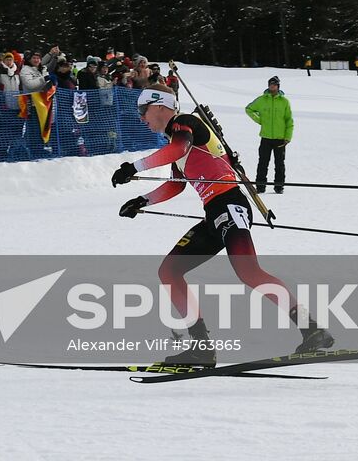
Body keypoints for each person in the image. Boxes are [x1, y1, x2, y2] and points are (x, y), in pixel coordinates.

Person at [110, 88, 333, 367]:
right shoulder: (176, 138)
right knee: (169, 271)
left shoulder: (186, 124)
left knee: (249, 272)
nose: (141, 118)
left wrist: (134, 167)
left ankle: (312, 331)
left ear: (160, 106)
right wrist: (142, 200)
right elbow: (175, 185)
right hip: (214, 214)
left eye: (143, 111)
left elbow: (177, 149)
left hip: (230, 205)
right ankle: (202, 348)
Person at [245, 75, 294, 194]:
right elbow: (249, 109)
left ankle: (279, 186)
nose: (272, 87)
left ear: (278, 86)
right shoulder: (262, 100)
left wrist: (288, 137)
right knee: (263, 162)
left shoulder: (284, 102)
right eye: (271, 84)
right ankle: (260, 186)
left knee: (279, 164)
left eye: (275, 85)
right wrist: (260, 120)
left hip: (280, 138)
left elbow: (289, 120)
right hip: (265, 138)